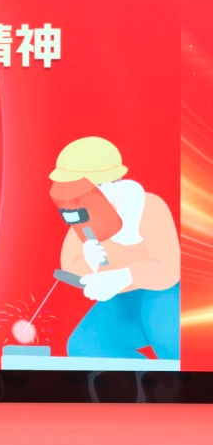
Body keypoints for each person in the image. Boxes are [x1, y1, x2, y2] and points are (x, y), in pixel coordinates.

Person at [49, 137, 180, 361]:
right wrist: (88, 263)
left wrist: (124, 276)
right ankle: (147, 379)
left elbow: (169, 269)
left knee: (168, 334)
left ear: (109, 183)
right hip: (122, 303)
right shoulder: (84, 217)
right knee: (84, 345)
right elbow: (70, 264)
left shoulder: (150, 207)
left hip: (162, 296)